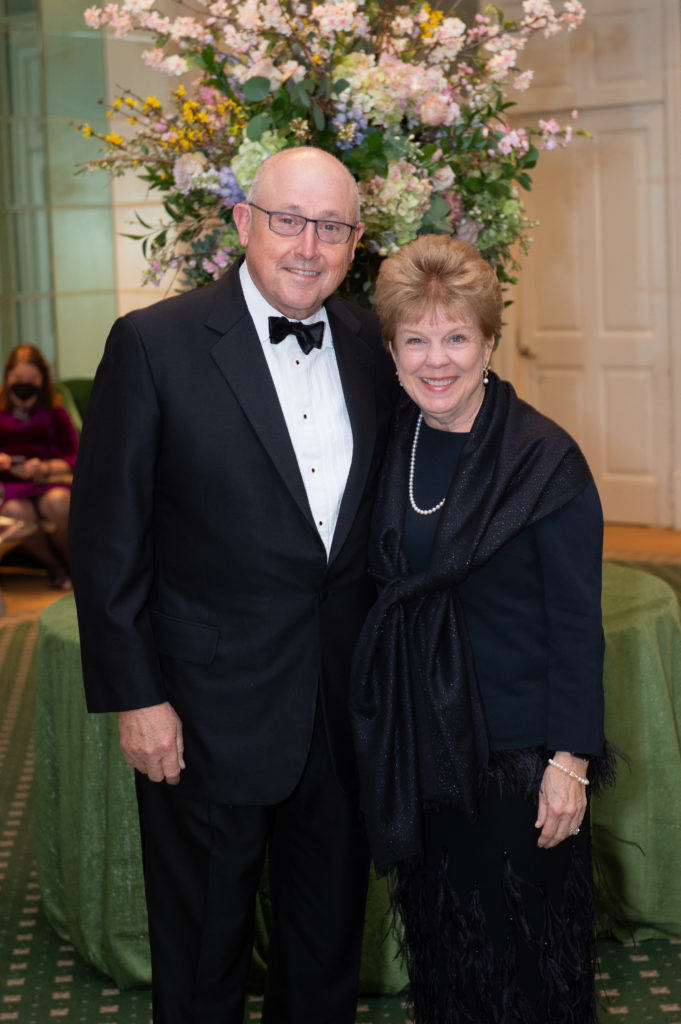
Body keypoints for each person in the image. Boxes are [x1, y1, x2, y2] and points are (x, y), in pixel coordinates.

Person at [68, 146, 397, 1024]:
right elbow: (107, 542)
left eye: (330, 227)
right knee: (203, 955)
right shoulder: (155, 343)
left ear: (355, 240)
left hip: (339, 709)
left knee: (324, 949)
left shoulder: (371, 342)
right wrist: (138, 698)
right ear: (243, 222)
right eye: (287, 220)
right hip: (203, 711)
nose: (306, 245)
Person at [351, 235, 614, 1024]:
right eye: (415, 339)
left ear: (490, 341)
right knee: (445, 953)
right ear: (392, 350)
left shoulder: (544, 459)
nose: (437, 360)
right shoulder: (390, 438)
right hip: (422, 748)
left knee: (521, 968)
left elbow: (576, 623)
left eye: (456, 336)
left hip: (517, 761)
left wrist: (569, 763)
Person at [0, 344, 78, 589]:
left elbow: (75, 456)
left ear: (42, 380)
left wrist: (42, 468)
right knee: (14, 513)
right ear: (8, 376)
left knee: (59, 503)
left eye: (32, 379)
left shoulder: (55, 410)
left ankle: (75, 566)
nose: (24, 384)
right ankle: (53, 568)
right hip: (10, 487)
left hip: (47, 480)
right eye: (19, 378)